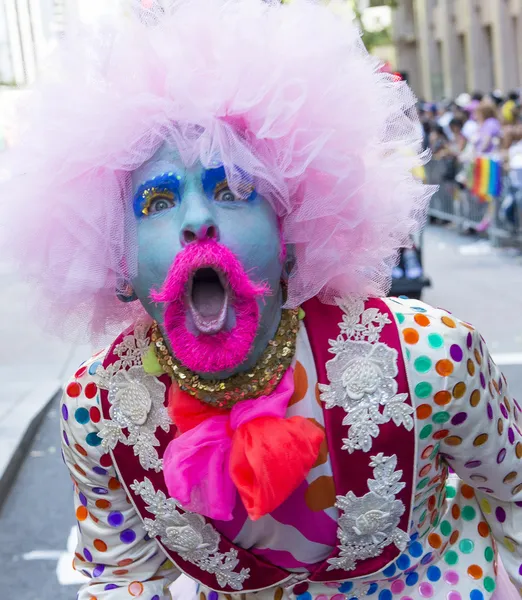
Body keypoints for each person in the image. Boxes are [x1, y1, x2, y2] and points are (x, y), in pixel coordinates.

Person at [2, 1, 522, 599]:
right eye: (158, 202)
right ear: (118, 261)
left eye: (233, 188)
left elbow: (513, 496)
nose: (198, 220)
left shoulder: (431, 357)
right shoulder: (99, 412)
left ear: (292, 233)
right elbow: (122, 573)